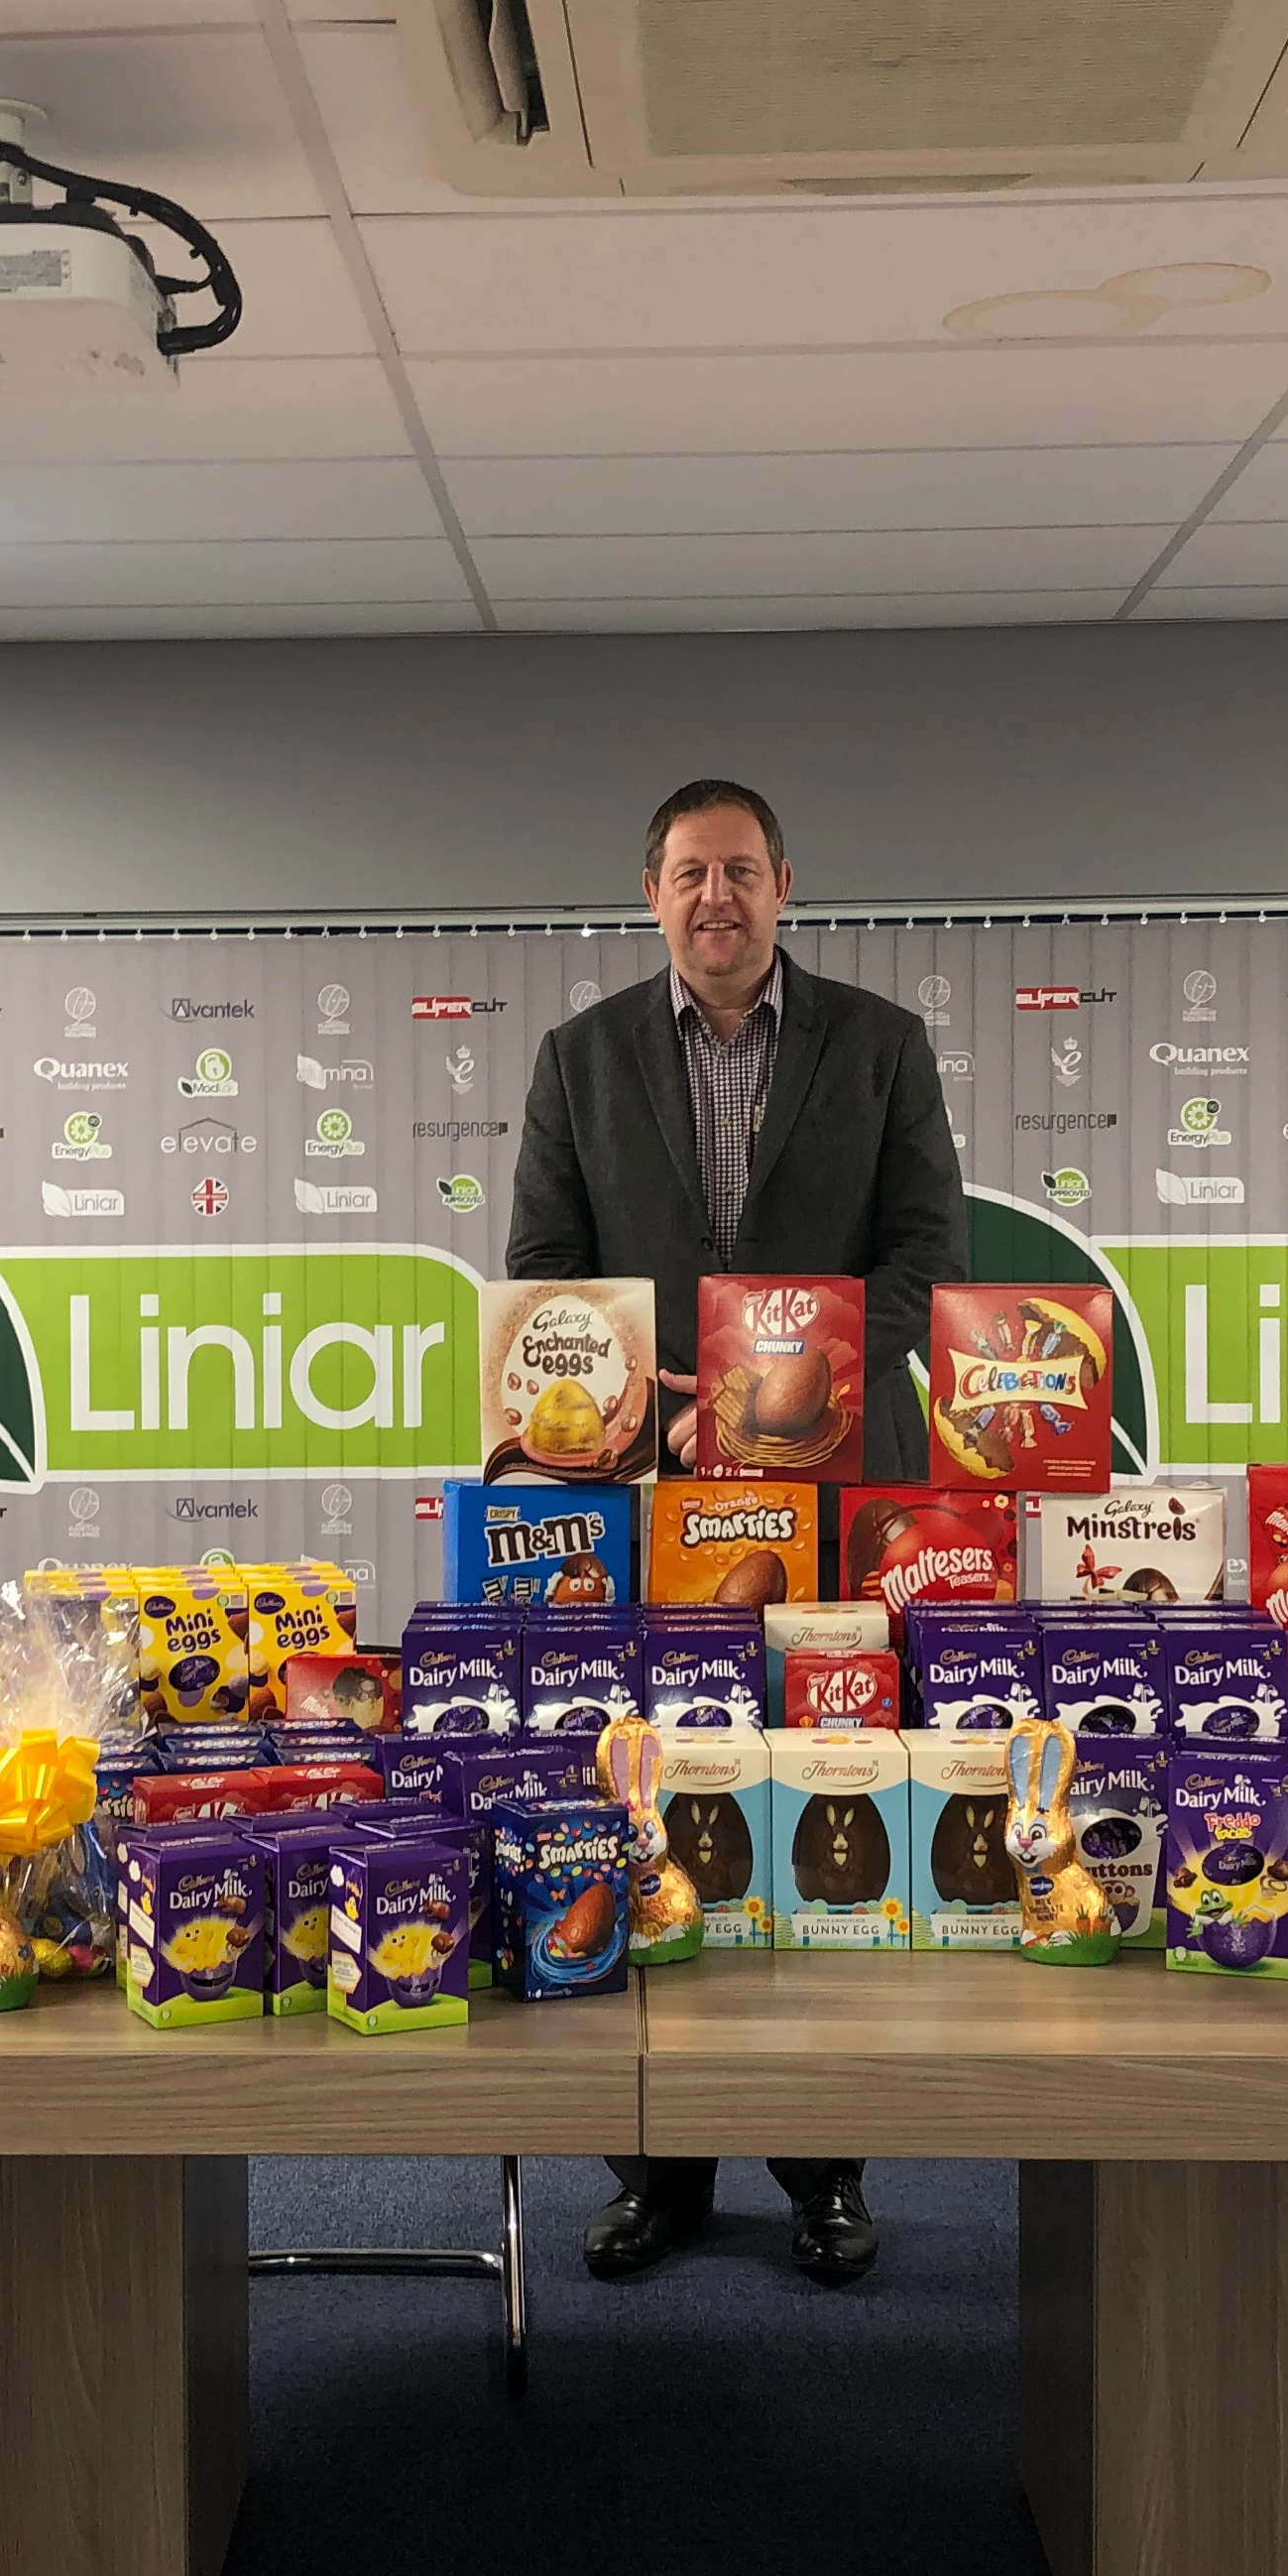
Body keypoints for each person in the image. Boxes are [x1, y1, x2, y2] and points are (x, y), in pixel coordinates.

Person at [510, 779, 967, 2286]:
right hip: (641, 1502)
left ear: (788, 886)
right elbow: (545, 1275)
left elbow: (925, 1258)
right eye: (693, 872)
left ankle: (826, 2167)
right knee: (657, 1789)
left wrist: (791, 1391)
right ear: (650, 890)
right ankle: (657, 2164)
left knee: (824, 1788)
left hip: (836, 1501)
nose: (720, 896)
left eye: (745, 872)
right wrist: (651, 1405)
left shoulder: (882, 1046)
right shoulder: (576, 1060)